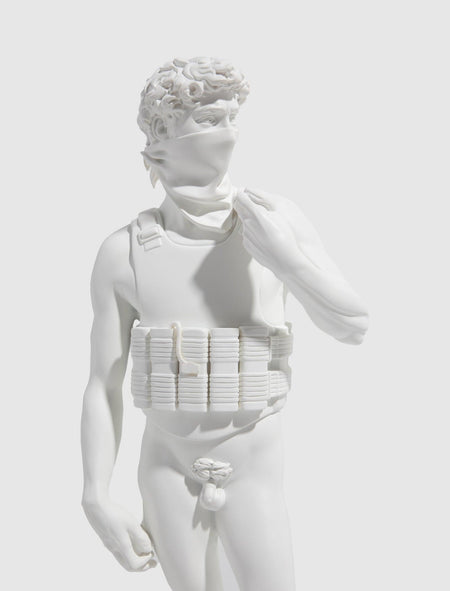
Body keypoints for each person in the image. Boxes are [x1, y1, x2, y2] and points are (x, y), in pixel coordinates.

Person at [81, 57, 368, 591]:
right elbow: (103, 383)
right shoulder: (123, 252)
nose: (230, 132)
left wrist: (287, 262)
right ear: (162, 132)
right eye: (210, 119)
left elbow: (353, 325)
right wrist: (95, 494)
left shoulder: (273, 222)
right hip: (167, 468)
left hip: (254, 468)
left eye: (234, 117)